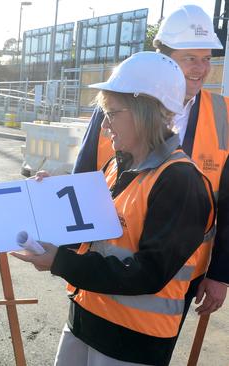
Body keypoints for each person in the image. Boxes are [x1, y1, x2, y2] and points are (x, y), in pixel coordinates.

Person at [12, 52, 214, 365]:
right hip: (85, 321)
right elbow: (91, 234)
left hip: (131, 343)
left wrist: (60, 262)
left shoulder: (180, 181)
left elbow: (148, 273)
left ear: (145, 112)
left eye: (112, 113)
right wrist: (51, 197)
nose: (105, 126)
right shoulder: (117, 166)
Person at [73, 4, 229, 318]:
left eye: (205, 60)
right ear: (163, 60)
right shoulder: (116, 105)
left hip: (183, 271)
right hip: (107, 262)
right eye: (189, 59)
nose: (200, 69)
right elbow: (83, 177)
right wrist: (63, 251)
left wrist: (220, 273)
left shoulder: (224, 114)